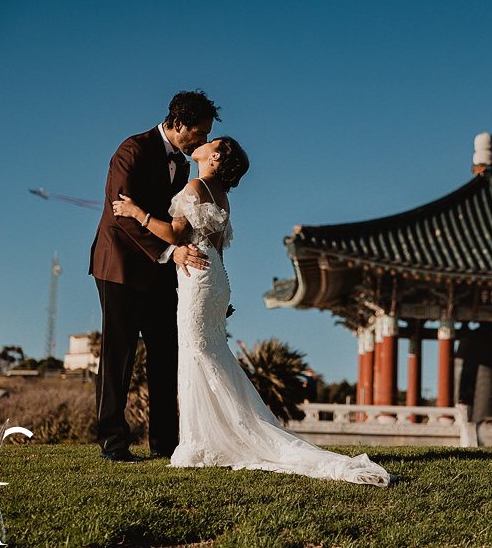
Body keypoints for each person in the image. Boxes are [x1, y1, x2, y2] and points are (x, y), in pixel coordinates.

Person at [112, 137, 392, 486]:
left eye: (209, 142)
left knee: (197, 353)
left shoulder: (196, 186)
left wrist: (137, 213)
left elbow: (174, 234)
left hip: (198, 279)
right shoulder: (221, 195)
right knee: (212, 353)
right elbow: (215, 248)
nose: (200, 143)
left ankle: (202, 441)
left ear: (214, 157)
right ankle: (214, 435)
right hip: (214, 278)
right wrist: (219, 292)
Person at [89, 90, 219, 463]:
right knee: (120, 353)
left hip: (161, 270)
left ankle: (165, 444)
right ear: (178, 124)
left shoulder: (182, 164)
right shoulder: (132, 150)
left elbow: (178, 223)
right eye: (199, 132)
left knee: (165, 354)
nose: (203, 141)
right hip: (120, 267)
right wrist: (169, 251)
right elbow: (120, 214)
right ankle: (113, 444)